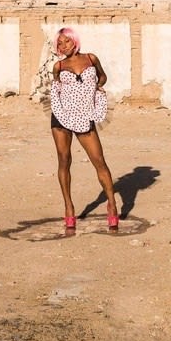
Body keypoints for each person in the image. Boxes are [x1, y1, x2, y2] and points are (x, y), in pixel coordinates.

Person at [48, 27, 119, 232]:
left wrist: (97, 87)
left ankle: (112, 204)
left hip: (84, 114)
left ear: (75, 41)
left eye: (67, 41)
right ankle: (68, 207)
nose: (63, 46)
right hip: (61, 115)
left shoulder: (91, 58)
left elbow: (102, 77)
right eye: (59, 43)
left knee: (99, 161)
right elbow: (57, 88)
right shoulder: (58, 66)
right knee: (64, 159)